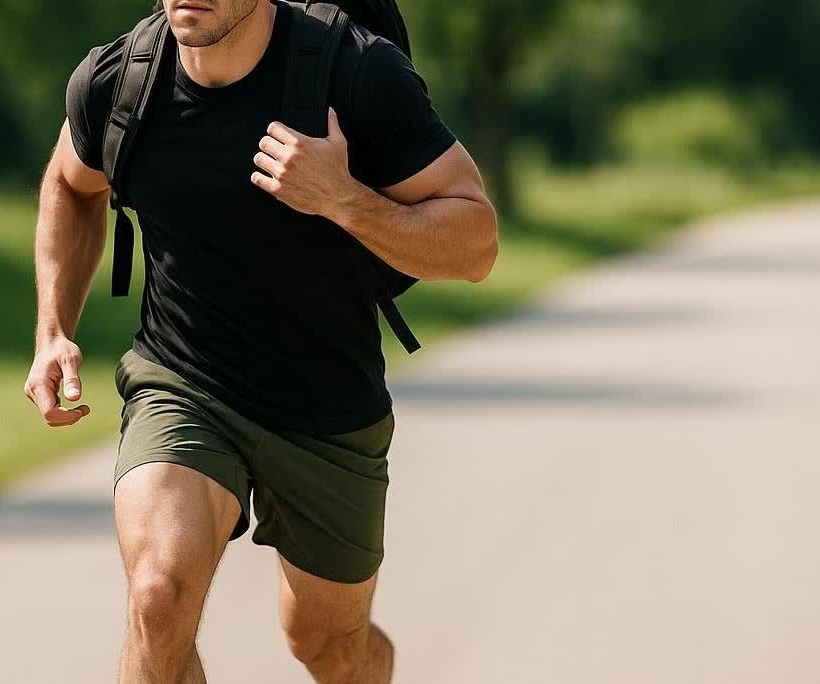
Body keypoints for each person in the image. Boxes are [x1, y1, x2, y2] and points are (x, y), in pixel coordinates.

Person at [26, 0, 497, 681]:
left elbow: (475, 240)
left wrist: (342, 197)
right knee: (158, 599)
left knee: (330, 646)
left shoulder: (355, 74)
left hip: (326, 408)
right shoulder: (122, 80)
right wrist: (51, 332)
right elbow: (71, 185)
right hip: (182, 382)